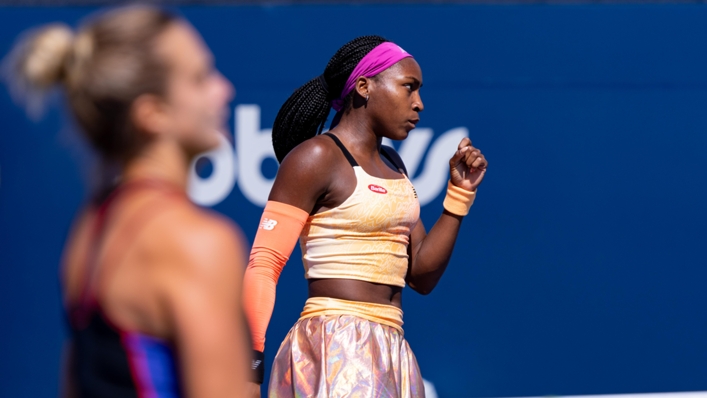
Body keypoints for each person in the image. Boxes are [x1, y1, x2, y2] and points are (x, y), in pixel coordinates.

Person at [4, 6, 252, 397]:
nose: (224, 89)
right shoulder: (199, 243)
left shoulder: (92, 225)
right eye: (200, 78)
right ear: (153, 113)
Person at [243, 35, 488, 397]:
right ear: (364, 86)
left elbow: (420, 276)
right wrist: (250, 369)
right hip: (334, 345)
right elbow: (264, 265)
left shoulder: (395, 165)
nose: (419, 104)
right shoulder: (315, 158)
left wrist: (459, 196)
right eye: (409, 88)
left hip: (393, 347)